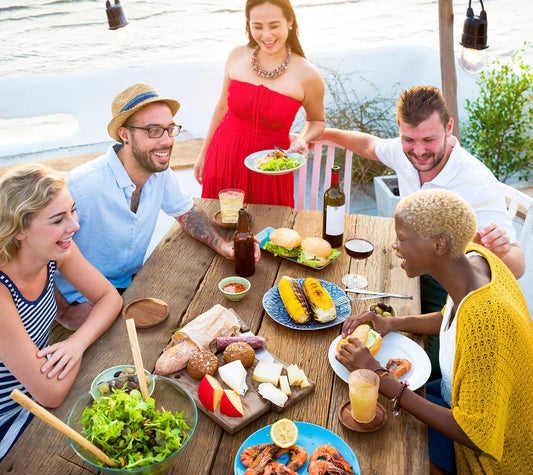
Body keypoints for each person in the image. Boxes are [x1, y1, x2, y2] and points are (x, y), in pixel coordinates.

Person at [337, 189, 533, 475]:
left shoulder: (487, 320)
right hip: (471, 404)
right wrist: (394, 323)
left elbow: (476, 433)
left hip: (494, 453)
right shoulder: (474, 260)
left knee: (382, 441)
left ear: (439, 245)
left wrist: (384, 380)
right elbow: (450, 318)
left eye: (402, 238)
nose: (395, 245)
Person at [320, 85, 525, 376]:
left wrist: (502, 248)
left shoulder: (477, 183)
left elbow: (517, 267)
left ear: (449, 128)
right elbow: (367, 144)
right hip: (415, 267)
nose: (418, 151)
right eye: (409, 139)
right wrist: (318, 133)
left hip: (451, 284)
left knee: (427, 370)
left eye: (429, 139)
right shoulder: (404, 151)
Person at [54, 82, 259, 331]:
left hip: (132, 288)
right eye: (153, 131)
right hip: (81, 302)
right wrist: (64, 313)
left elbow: (186, 213)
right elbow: (32, 251)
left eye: (170, 129)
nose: (167, 141)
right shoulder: (81, 185)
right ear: (125, 134)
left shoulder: (159, 173)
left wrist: (224, 246)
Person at [0, 164, 122, 461]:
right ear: (19, 231)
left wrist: (75, 343)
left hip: (49, 375)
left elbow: (110, 298)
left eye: (73, 211)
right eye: (58, 220)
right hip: (12, 414)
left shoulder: (55, 251)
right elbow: (50, 394)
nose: (74, 225)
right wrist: (74, 350)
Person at [195, 0, 325, 207]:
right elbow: (222, 107)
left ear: (290, 21)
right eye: (257, 26)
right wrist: (204, 154)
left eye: (274, 26)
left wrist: (302, 139)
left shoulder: (308, 74)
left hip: (270, 165)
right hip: (224, 155)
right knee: (220, 224)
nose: (266, 35)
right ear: (248, 25)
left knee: (269, 230)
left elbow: (317, 120)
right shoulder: (237, 55)